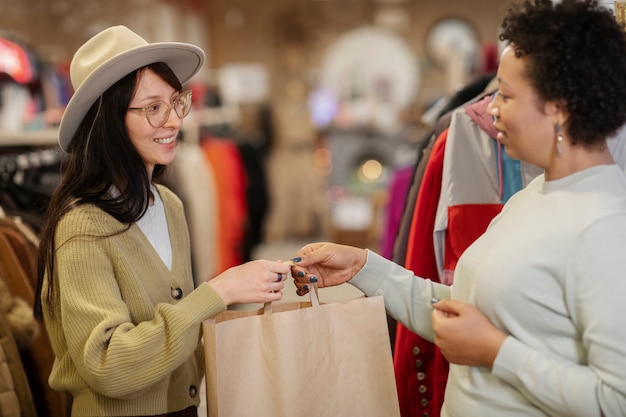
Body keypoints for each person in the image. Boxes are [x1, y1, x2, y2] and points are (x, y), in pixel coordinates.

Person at [289, 1, 626, 416]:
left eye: (506, 94)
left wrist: (495, 352)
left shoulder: (606, 225)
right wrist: (364, 268)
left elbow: (616, 399)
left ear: (559, 107)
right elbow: (464, 312)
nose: (491, 108)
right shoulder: (533, 197)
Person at [33, 26, 291, 417]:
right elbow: (108, 365)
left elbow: (176, 331)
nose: (173, 121)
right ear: (109, 122)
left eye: (175, 102)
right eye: (152, 108)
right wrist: (215, 293)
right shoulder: (82, 226)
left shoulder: (167, 204)